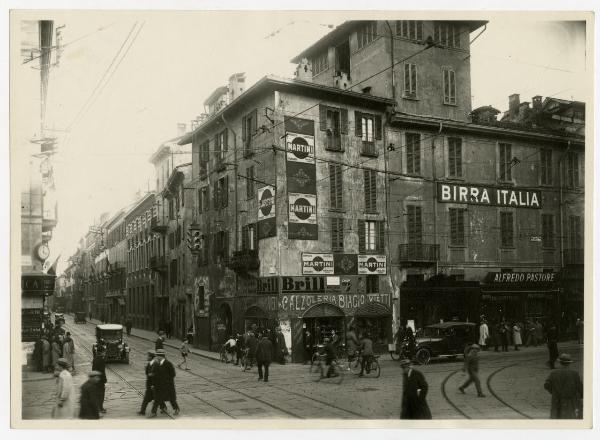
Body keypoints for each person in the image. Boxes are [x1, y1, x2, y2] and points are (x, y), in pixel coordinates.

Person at [544, 353, 583, 418]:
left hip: (557, 400)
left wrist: (554, 391)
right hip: (571, 401)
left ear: (559, 363)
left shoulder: (553, 373)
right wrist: (580, 396)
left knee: (557, 418)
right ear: (569, 363)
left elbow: (546, 385)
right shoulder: (575, 374)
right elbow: (580, 387)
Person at [150, 349, 180, 417]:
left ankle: (176, 409)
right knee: (157, 398)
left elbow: (173, 374)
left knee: (171, 398)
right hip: (159, 385)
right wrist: (153, 384)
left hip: (168, 385)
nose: (156, 357)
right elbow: (154, 374)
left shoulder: (168, 363)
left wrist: (165, 379)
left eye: (157, 356)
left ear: (161, 356)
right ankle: (154, 412)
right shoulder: (157, 364)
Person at [139, 351, 161, 416]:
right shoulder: (149, 364)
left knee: (156, 399)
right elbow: (147, 373)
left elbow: (158, 374)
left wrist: (153, 383)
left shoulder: (156, 364)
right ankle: (142, 411)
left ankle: (154, 412)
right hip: (149, 385)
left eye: (148, 356)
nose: (147, 357)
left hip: (154, 384)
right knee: (146, 398)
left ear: (151, 357)